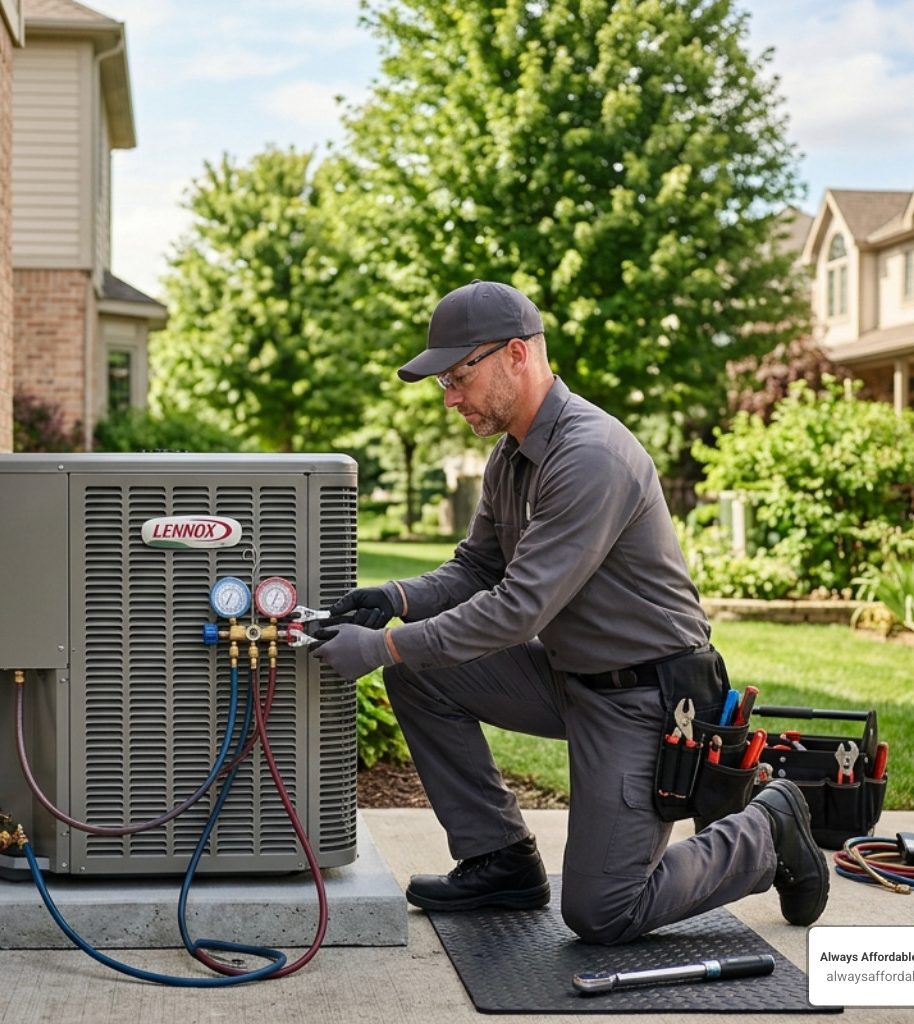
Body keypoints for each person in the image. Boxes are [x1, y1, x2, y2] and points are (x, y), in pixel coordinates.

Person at [311, 280, 829, 944]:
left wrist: (382, 646)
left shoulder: (588, 455)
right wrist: (396, 600)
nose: (449, 398)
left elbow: (516, 609)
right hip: (570, 678)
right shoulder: (512, 455)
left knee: (605, 913)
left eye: (458, 377)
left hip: (647, 700)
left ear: (517, 354)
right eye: (442, 382)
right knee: (421, 672)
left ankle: (767, 826)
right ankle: (500, 860)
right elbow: (477, 568)